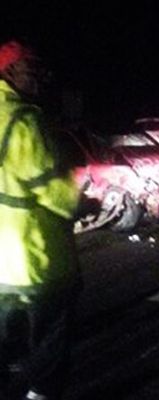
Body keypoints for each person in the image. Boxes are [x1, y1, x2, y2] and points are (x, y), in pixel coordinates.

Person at [0, 40, 81, 400]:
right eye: (30, 69)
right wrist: (83, 197)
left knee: (5, 345)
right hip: (38, 258)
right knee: (49, 346)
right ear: (8, 72)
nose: (39, 77)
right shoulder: (25, 120)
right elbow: (53, 190)